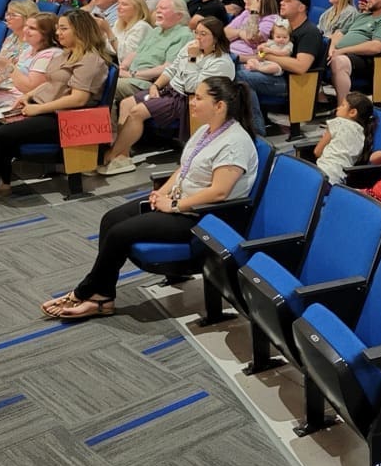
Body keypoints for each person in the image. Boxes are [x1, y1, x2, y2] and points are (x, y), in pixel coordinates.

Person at [40, 77, 258, 319]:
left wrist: (174, 205)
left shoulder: (234, 142)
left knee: (119, 234)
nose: (191, 102)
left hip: (206, 217)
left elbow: (219, 192)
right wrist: (163, 192)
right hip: (183, 202)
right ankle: (102, 296)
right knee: (111, 218)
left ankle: (87, 292)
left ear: (219, 106)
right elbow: (184, 168)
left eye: (198, 98)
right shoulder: (206, 130)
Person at [0, 10, 112, 203]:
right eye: (58, 28)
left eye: (64, 29)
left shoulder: (90, 60)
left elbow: (78, 99)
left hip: (66, 119)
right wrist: (29, 96)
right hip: (45, 107)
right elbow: (51, 82)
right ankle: (0, 182)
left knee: (1, 135)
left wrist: (38, 109)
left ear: (80, 30)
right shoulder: (67, 53)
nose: (58, 33)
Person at [98, 16, 236, 175]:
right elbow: (171, 69)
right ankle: (122, 156)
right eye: (196, 32)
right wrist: (156, 85)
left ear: (216, 38)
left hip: (185, 100)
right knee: (126, 103)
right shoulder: (190, 47)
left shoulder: (220, 62)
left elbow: (192, 88)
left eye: (203, 34)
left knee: (136, 112)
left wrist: (192, 58)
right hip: (169, 90)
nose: (197, 38)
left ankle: (112, 154)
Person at [241, 0, 326, 134]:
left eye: (288, 0)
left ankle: (256, 129)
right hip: (273, 72)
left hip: (291, 81)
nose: (281, 2)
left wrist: (267, 55)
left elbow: (301, 67)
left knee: (241, 76)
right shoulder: (284, 28)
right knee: (235, 70)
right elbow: (263, 49)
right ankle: (254, 125)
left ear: (301, 7)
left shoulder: (309, 32)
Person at [113, 0, 193, 107]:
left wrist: (132, 74)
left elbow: (167, 68)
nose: (158, 11)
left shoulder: (184, 35)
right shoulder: (155, 30)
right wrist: (123, 67)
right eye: (157, 8)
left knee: (108, 87)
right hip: (131, 77)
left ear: (179, 15)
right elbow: (136, 53)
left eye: (163, 8)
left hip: (148, 84)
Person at [313, 91, 375, 185]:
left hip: (322, 173)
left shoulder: (338, 122)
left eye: (342, 105)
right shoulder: (363, 134)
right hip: (339, 179)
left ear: (352, 112)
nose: (338, 108)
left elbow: (317, 152)